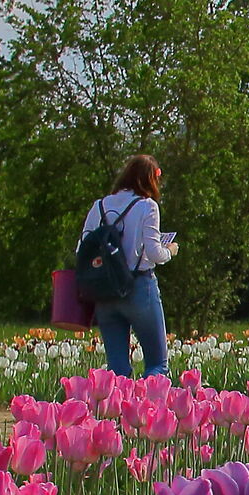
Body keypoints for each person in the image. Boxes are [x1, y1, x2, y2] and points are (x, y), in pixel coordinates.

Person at [77, 154, 178, 379]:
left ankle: (117, 413)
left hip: (104, 292)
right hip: (139, 287)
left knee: (117, 370)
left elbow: (82, 250)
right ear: (151, 179)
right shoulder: (147, 207)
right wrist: (169, 250)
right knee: (157, 365)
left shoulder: (99, 206)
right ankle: (150, 413)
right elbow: (153, 252)